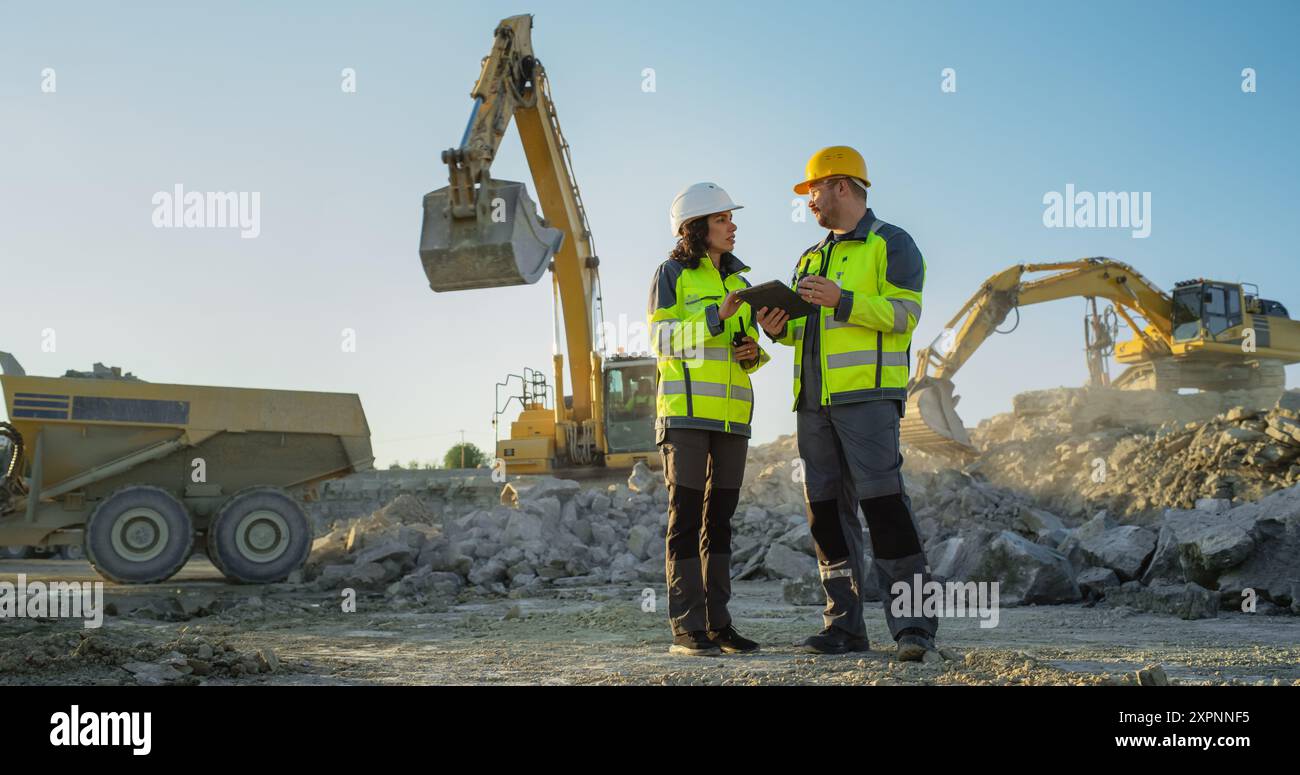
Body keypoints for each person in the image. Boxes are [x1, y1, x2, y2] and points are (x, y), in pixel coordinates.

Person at [756, 146, 939, 661]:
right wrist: (778, 328)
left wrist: (845, 300)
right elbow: (803, 330)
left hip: (868, 399)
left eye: (812, 190)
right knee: (826, 516)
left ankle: (914, 628)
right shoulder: (810, 257)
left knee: (884, 508)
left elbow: (905, 316)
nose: (809, 201)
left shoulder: (893, 244)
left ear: (840, 185)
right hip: (812, 403)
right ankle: (843, 626)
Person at [648, 182, 769, 656]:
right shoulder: (672, 274)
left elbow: (749, 356)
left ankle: (719, 624)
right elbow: (662, 341)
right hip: (687, 416)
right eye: (722, 219)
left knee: (720, 522)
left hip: (733, 419)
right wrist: (715, 319)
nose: (732, 225)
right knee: (686, 519)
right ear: (695, 228)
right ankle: (686, 628)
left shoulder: (743, 284)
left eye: (731, 218)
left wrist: (753, 352)